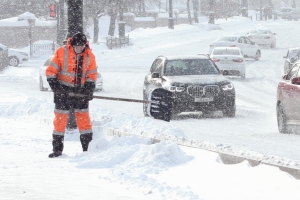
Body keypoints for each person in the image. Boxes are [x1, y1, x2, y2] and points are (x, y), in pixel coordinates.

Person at [46, 32, 98, 158]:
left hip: (80, 93)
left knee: (84, 121)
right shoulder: (61, 52)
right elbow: (51, 72)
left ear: (85, 45)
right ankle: (57, 150)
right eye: (77, 46)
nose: (79, 49)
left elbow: (92, 75)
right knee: (60, 121)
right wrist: (58, 89)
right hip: (62, 93)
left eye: (81, 46)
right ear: (72, 44)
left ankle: (88, 150)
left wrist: (88, 90)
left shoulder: (89, 56)